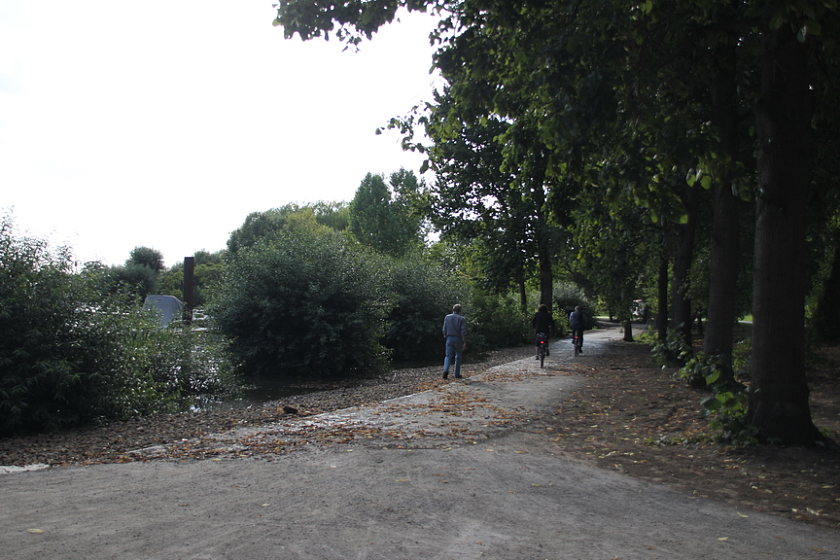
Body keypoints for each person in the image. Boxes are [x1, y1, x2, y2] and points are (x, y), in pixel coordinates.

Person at [442, 304, 467, 379]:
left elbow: (444, 329)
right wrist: (464, 342)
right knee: (458, 356)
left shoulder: (447, 317)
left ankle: (445, 370)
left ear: (453, 310)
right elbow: (463, 331)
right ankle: (456, 373)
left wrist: (445, 336)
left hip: (449, 337)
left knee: (448, 356)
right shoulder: (462, 319)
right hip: (458, 338)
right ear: (460, 311)